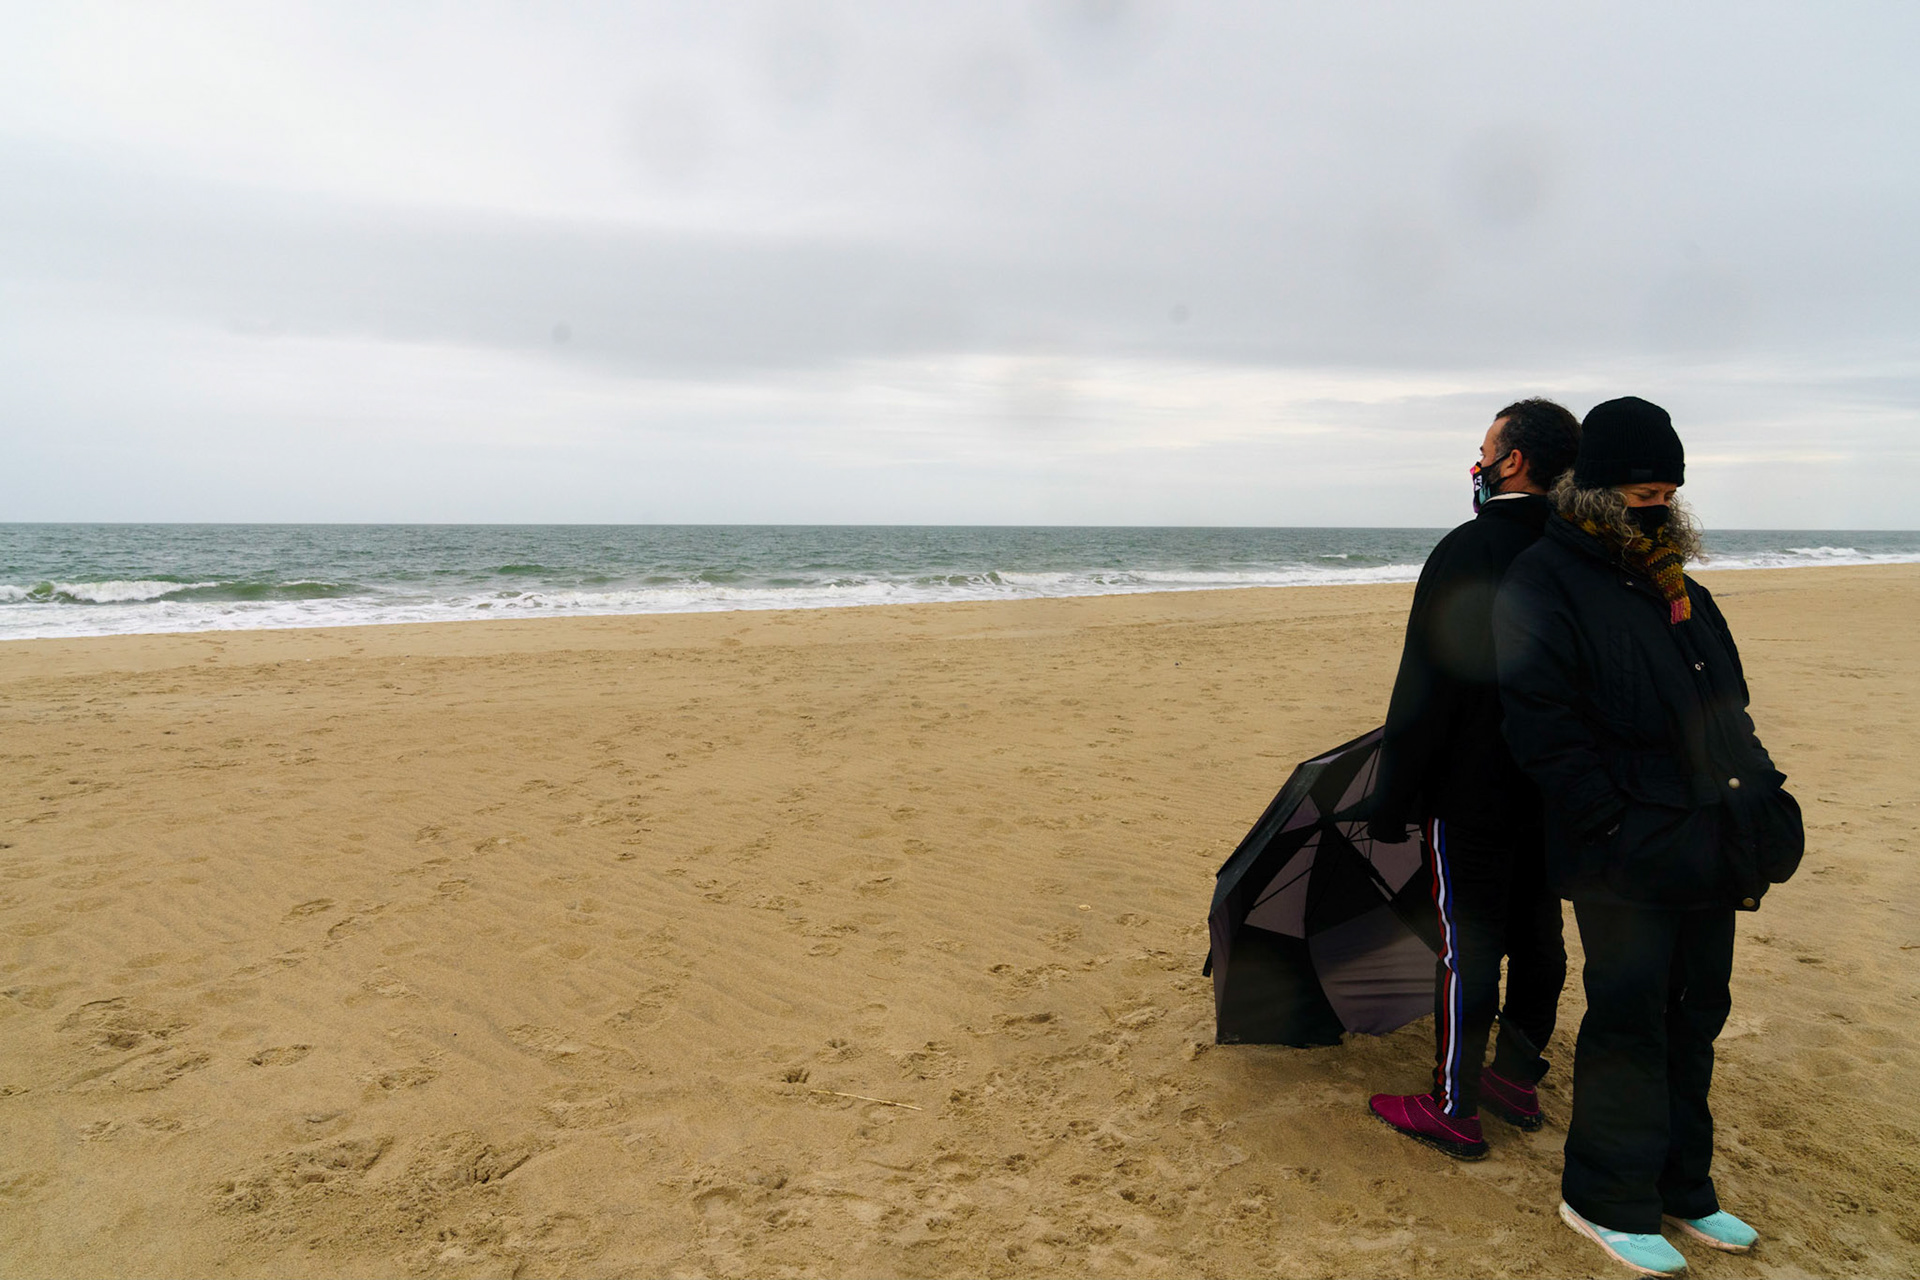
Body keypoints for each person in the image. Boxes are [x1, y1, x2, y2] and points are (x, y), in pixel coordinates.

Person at [1493, 397, 1804, 1277]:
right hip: (1621, 849)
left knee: (1696, 1010)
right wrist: (1614, 821)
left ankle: (1682, 1185)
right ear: (1594, 490)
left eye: (1668, 489)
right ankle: (1604, 1196)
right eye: (1639, 489)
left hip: (1709, 833)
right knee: (1630, 1017)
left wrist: (1759, 787)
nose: (1656, 505)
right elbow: (1540, 727)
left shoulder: (1681, 586)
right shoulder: (1544, 580)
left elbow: (1727, 703)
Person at [1365, 398, 1581, 1160]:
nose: (1479, 459)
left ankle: (1454, 1105)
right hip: (1557, 789)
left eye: (1486, 447)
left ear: (1513, 461)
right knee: (1540, 932)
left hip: (1475, 788)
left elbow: (1428, 682)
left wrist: (1392, 796)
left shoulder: (1471, 548)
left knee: (1468, 945)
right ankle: (1516, 1079)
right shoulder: (1581, 549)